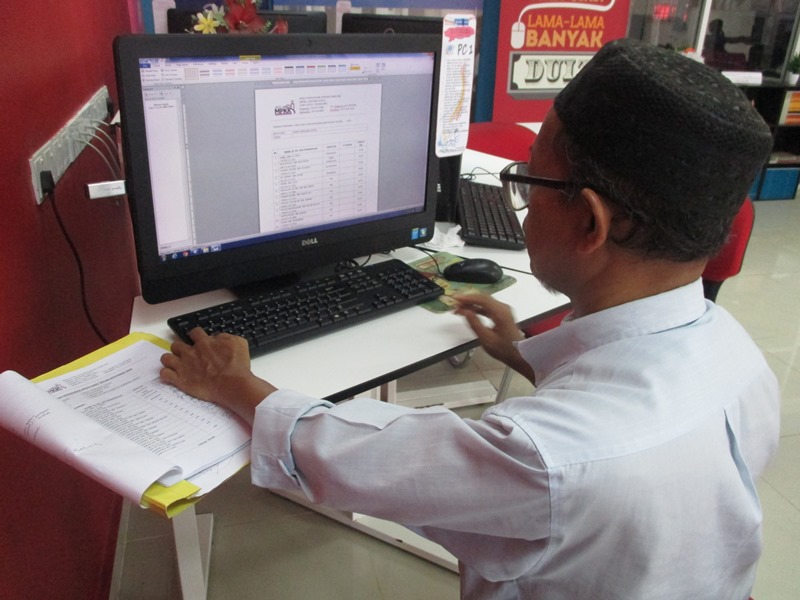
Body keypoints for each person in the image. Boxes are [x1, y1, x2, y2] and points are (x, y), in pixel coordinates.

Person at [160, 39, 781, 599]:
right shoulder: (740, 360)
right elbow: (622, 416)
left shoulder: (542, 460)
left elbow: (363, 459)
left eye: (528, 179)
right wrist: (519, 353)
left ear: (589, 222)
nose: (520, 202)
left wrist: (234, 385)